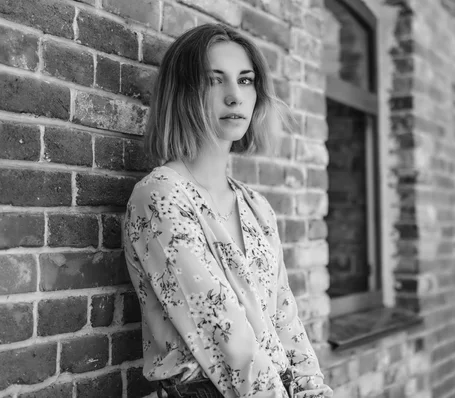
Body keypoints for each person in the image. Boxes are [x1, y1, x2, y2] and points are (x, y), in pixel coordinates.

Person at [122, 23, 333, 398]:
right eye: (214, 80)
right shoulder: (161, 196)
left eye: (246, 80)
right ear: (184, 92)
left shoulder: (257, 207)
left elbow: (286, 321)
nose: (235, 96)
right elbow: (226, 340)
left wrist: (314, 391)